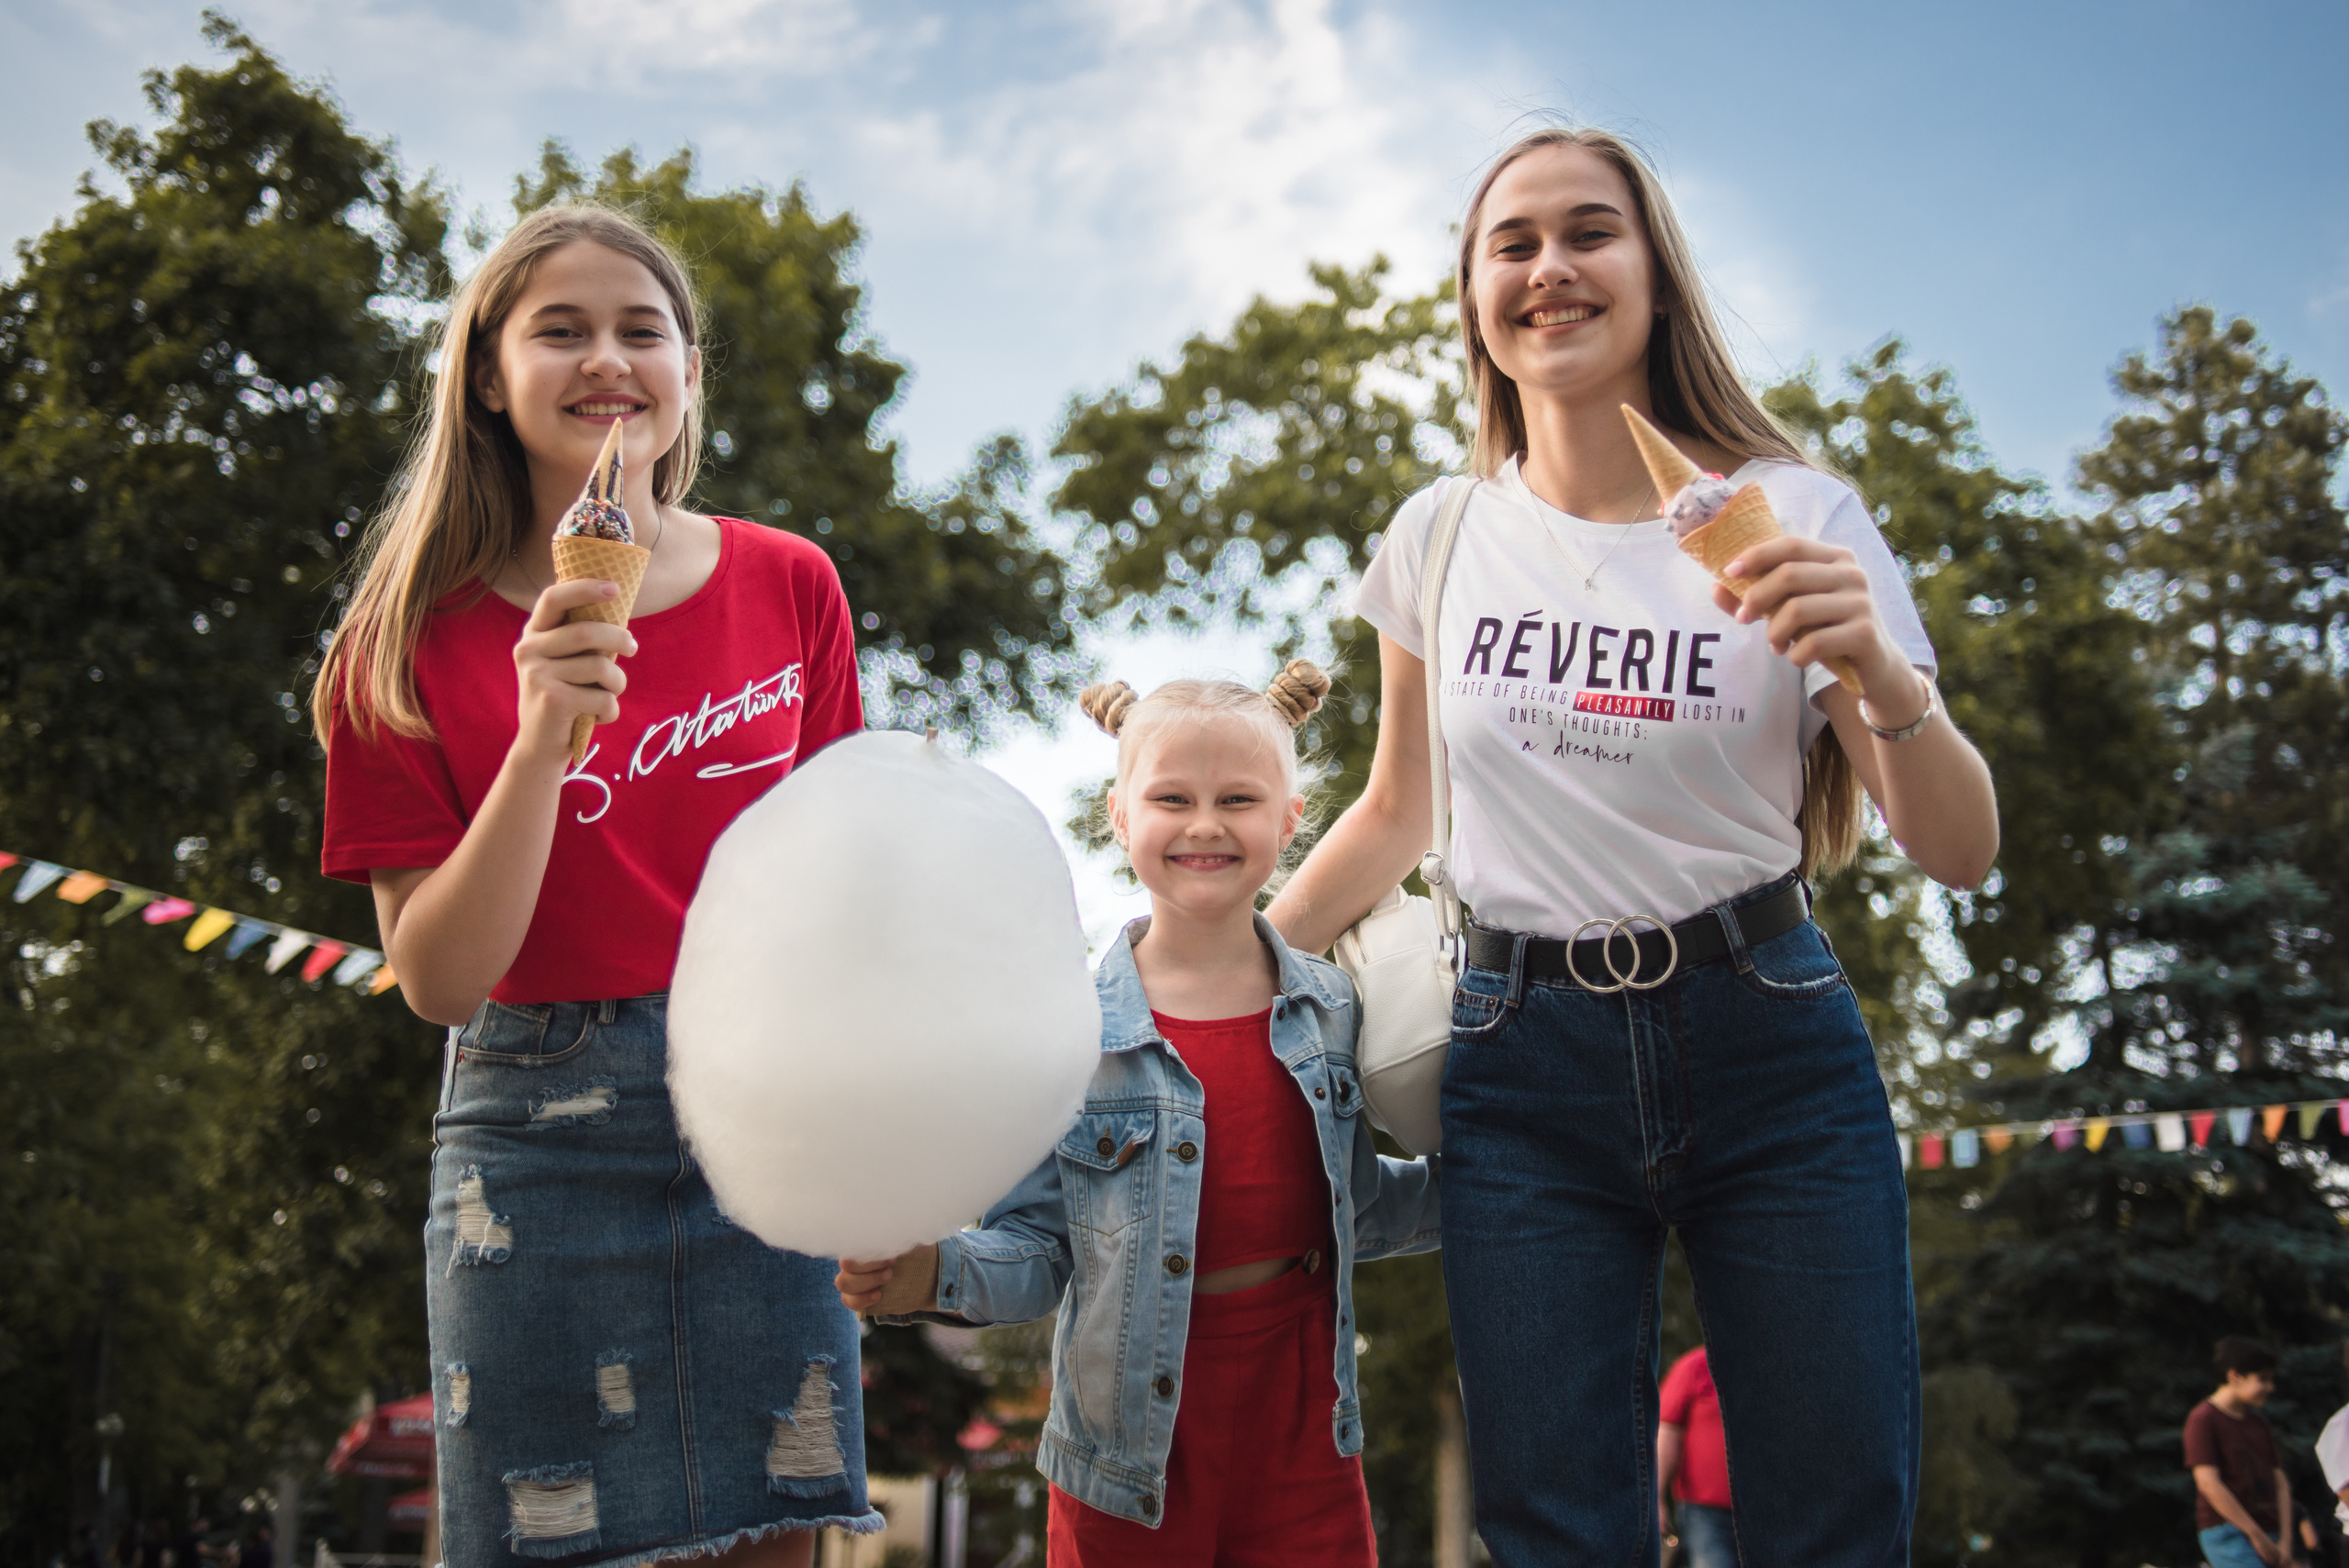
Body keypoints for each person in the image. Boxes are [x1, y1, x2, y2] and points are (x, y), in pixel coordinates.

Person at [1263, 126, 1999, 1567]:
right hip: (1518, 1054)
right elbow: (1397, 814)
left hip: (1769, 1037)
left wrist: (1884, 683)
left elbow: (1960, 851)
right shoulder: (1443, 532)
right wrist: (1199, 977)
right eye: (1513, 242)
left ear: (1655, 271)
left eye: (1589, 233)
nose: (1552, 268)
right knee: (1550, 1532)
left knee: (1834, 1522)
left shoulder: (1797, 514)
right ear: (1475, 293)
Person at [316, 205, 875, 1566]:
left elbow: (843, 875)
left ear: (688, 371)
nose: (607, 359)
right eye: (558, 330)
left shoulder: (790, 582)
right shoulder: (396, 644)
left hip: (763, 1114)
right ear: (489, 379)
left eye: (644, 330)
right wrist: (543, 731)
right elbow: (440, 979)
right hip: (534, 1131)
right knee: (542, 1535)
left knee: (773, 1529)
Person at [835, 664, 1441, 1566]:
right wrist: (934, 1270)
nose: (1204, 823)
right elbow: (1041, 1248)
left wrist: (1520, 1174)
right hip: (1125, 1451)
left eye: (1237, 797)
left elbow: (1360, 1209)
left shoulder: (1335, 1009)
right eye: (1172, 797)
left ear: (1290, 817)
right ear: (1120, 817)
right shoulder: (1068, 1034)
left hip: (1305, 1430)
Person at [2188, 1337, 2294, 1568]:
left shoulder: (2259, 1424)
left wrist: (2286, 1540)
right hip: (2229, 1532)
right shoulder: (2204, 1419)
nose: (2270, 1387)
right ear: (2235, 1376)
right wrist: (2255, 1534)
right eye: (2263, 1379)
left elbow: (2281, 1483)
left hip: (2271, 1529)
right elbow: (2209, 1483)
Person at [1658, 1345, 1736, 1568]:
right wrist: (1656, 1499)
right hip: (1706, 1514)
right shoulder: (1697, 1365)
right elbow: (1667, 1431)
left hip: (1766, 1513)